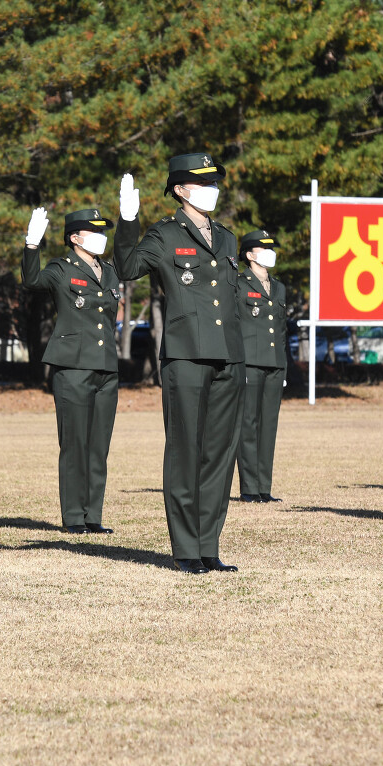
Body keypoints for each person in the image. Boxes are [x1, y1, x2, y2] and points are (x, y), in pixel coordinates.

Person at [114, 155, 244, 573]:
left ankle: (209, 546)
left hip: (228, 353)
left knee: (220, 454)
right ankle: (186, 548)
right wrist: (127, 221)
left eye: (215, 182)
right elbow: (127, 267)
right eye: (203, 183)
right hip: (186, 354)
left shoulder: (227, 238)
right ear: (181, 190)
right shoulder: (166, 235)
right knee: (186, 451)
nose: (213, 189)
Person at [22, 207, 121, 534]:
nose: (101, 237)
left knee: (98, 446)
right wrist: (32, 245)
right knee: (75, 443)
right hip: (73, 366)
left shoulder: (108, 271)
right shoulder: (62, 269)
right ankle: (74, 518)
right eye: (93, 231)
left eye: (103, 230)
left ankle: (93, 516)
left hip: (106, 365)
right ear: (75, 237)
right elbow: (33, 281)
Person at [234, 230, 287, 504]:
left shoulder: (279, 287)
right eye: (264, 249)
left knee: (268, 426)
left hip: (274, 363)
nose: (271, 254)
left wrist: (285, 368)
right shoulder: (238, 283)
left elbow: (280, 331)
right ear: (250, 255)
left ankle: (264, 487)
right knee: (248, 424)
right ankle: (249, 488)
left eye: (272, 249)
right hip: (249, 363)